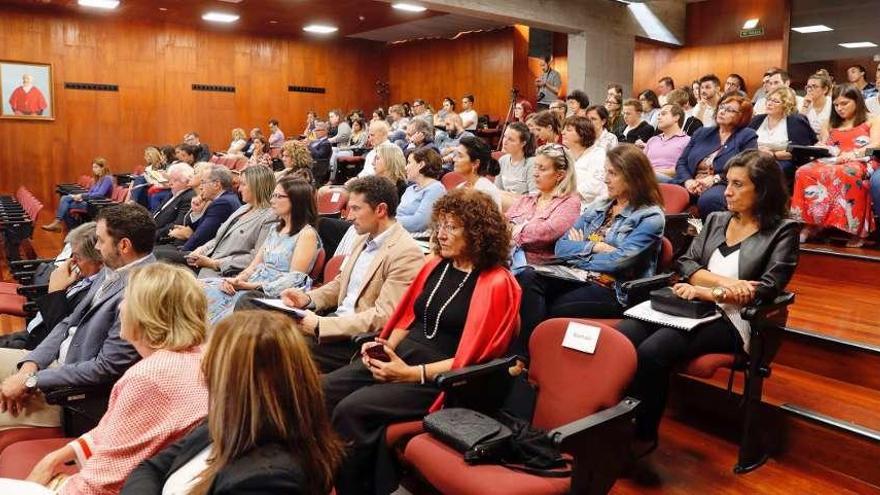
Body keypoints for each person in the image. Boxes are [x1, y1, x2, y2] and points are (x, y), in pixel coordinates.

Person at [323, 187, 520, 495]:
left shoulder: (497, 283)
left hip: (442, 377)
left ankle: (356, 487)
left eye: (452, 227)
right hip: (402, 356)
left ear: (479, 232)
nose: (441, 234)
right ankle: (325, 475)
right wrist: (384, 345)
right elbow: (406, 318)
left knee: (353, 410)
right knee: (323, 390)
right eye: (440, 225)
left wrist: (409, 374)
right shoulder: (435, 265)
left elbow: (477, 358)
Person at [616, 149, 799, 452]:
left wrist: (709, 291)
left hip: (737, 319)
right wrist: (728, 285)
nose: (726, 191)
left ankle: (642, 434)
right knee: (623, 337)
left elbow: (767, 288)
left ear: (763, 189)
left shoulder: (784, 231)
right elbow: (685, 264)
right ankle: (609, 421)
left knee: (652, 351)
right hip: (692, 305)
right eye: (727, 182)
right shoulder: (716, 219)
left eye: (738, 184)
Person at [17, 263, 209, 494]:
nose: (120, 307)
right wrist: (54, 458)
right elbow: (115, 431)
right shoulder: (197, 357)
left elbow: (102, 482)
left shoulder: (151, 377)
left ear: (146, 315)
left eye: (127, 299)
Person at [121, 311, 344, 494]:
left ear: (234, 379)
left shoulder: (268, 479)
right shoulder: (229, 420)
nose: (203, 365)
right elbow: (149, 468)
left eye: (212, 357)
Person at [0, 203, 156, 431]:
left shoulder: (143, 289)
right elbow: (67, 322)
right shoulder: (114, 269)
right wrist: (30, 365)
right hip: (49, 366)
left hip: (70, 393)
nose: (98, 248)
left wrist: (31, 381)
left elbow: (105, 368)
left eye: (101, 241)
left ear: (123, 245)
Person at [249, 176, 424, 373]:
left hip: (354, 340)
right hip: (334, 321)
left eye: (356, 209)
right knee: (260, 334)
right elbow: (340, 284)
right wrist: (307, 299)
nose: (349, 216)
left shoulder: (405, 253)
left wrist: (322, 325)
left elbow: (383, 316)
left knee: (270, 348)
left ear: (381, 210)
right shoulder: (363, 238)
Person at [515, 144, 665, 356]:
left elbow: (618, 262)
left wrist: (580, 250)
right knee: (527, 277)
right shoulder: (601, 205)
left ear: (634, 176)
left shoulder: (649, 216)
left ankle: (532, 360)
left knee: (554, 306)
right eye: (606, 172)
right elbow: (561, 246)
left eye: (612, 173)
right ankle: (521, 358)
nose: (605, 179)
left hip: (611, 287)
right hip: (576, 275)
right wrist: (595, 246)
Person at [203, 178, 319, 324]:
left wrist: (248, 286)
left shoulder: (307, 234)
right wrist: (236, 280)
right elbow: (253, 266)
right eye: (273, 195)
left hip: (276, 293)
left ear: (297, 201)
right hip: (252, 283)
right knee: (204, 287)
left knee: (236, 301)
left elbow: (294, 279)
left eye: (279, 196)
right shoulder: (274, 229)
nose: (272, 201)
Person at [792, 84, 879, 247]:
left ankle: (855, 230)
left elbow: (876, 146)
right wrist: (820, 147)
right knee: (803, 171)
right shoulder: (829, 123)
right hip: (833, 160)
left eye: (844, 103)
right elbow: (825, 145)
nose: (839, 108)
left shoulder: (873, 119)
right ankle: (811, 224)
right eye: (836, 104)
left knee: (848, 173)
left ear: (857, 101)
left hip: (861, 160)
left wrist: (854, 154)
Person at [0, 223, 103, 351]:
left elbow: (63, 336)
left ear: (99, 261)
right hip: (32, 333)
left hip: (39, 348)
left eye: (78, 257)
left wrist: (55, 291)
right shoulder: (81, 277)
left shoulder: (96, 293)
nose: (71, 262)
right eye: (72, 256)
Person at [183, 165, 277, 278]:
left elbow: (256, 257)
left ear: (257, 187)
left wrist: (215, 263)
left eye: (243, 184)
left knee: (165, 260)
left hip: (226, 272)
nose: (239, 189)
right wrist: (200, 250)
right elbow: (220, 237)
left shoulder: (270, 217)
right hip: (208, 261)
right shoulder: (244, 208)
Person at [676, 94, 758, 218]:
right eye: (722, 107)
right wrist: (688, 181)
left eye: (729, 110)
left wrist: (715, 179)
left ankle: (711, 234)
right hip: (692, 181)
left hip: (723, 183)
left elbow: (747, 167)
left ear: (742, 116)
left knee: (710, 199)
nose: (722, 111)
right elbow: (682, 162)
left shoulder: (747, 135)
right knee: (657, 190)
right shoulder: (701, 133)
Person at [506, 143, 581, 265]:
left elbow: (545, 232)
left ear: (560, 175)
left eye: (542, 169)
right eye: (535, 167)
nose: (535, 173)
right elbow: (501, 225)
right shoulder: (527, 200)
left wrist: (515, 230)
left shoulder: (570, 202)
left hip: (539, 271)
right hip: (508, 260)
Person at [169, 165, 242, 252]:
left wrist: (182, 252)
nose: (200, 187)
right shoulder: (224, 199)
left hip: (204, 255)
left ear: (216, 185)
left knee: (157, 254)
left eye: (203, 182)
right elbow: (196, 229)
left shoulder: (223, 203)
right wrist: (195, 214)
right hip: (198, 249)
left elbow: (201, 237)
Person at [748, 87, 818, 178]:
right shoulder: (757, 119)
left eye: (776, 101)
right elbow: (746, 141)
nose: (769, 103)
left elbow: (801, 151)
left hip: (782, 160)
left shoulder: (796, 121)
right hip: (754, 157)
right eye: (769, 100)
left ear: (786, 105)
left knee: (766, 172)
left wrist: (774, 155)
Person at [43, 158, 113, 232]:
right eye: (93, 167)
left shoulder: (107, 179)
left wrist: (82, 196)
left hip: (97, 206)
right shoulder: (98, 179)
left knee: (65, 203)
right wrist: (79, 196)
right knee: (65, 201)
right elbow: (90, 193)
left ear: (103, 168)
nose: (93, 169)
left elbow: (99, 195)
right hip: (90, 201)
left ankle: (64, 225)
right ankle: (70, 228)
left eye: (96, 167)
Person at [398, 148, 446, 237]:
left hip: (418, 239)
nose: (405, 167)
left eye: (409, 163)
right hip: (400, 234)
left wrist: (390, 222)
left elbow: (419, 222)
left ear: (421, 164)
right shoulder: (410, 189)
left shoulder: (436, 189)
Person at [563, 115, 607, 206]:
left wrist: (567, 194)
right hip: (566, 203)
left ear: (582, 134)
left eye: (569, 130)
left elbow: (596, 185)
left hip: (591, 207)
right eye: (563, 129)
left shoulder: (598, 154)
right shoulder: (565, 154)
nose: (562, 133)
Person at [644, 104, 691, 183]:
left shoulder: (687, 141)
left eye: (663, 114)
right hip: (647, 178)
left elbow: (684, 169)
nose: (658, 117)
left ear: (676, 117)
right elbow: (641, 162)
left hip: (670, 180)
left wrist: (652, 172)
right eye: (658, 114)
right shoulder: (653, 140)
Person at [495, 122, 537, 208]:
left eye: (511, 139)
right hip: (504, 205)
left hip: (523, 207)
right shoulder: (502, 160)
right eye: (505, 136)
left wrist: (506, 195)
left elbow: (534, 197)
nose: (505, 142)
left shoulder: (532, 163)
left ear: (523, 143)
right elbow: (496, 190)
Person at [453, 136, 502, 209]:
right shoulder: (459, 187)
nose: (454, 159)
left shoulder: (486, 191)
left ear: (475, 163)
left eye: (460, 156)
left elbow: (492, 219)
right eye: (455, 155)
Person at [153, 163, 196, 242]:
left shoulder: (188, 197)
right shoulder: (173, 192)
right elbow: (158, 213)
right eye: (170, 179)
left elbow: (177, 224)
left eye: (175, 180)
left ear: (187, 182)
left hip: (161, 238)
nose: (170, 183)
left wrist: (153, 235)